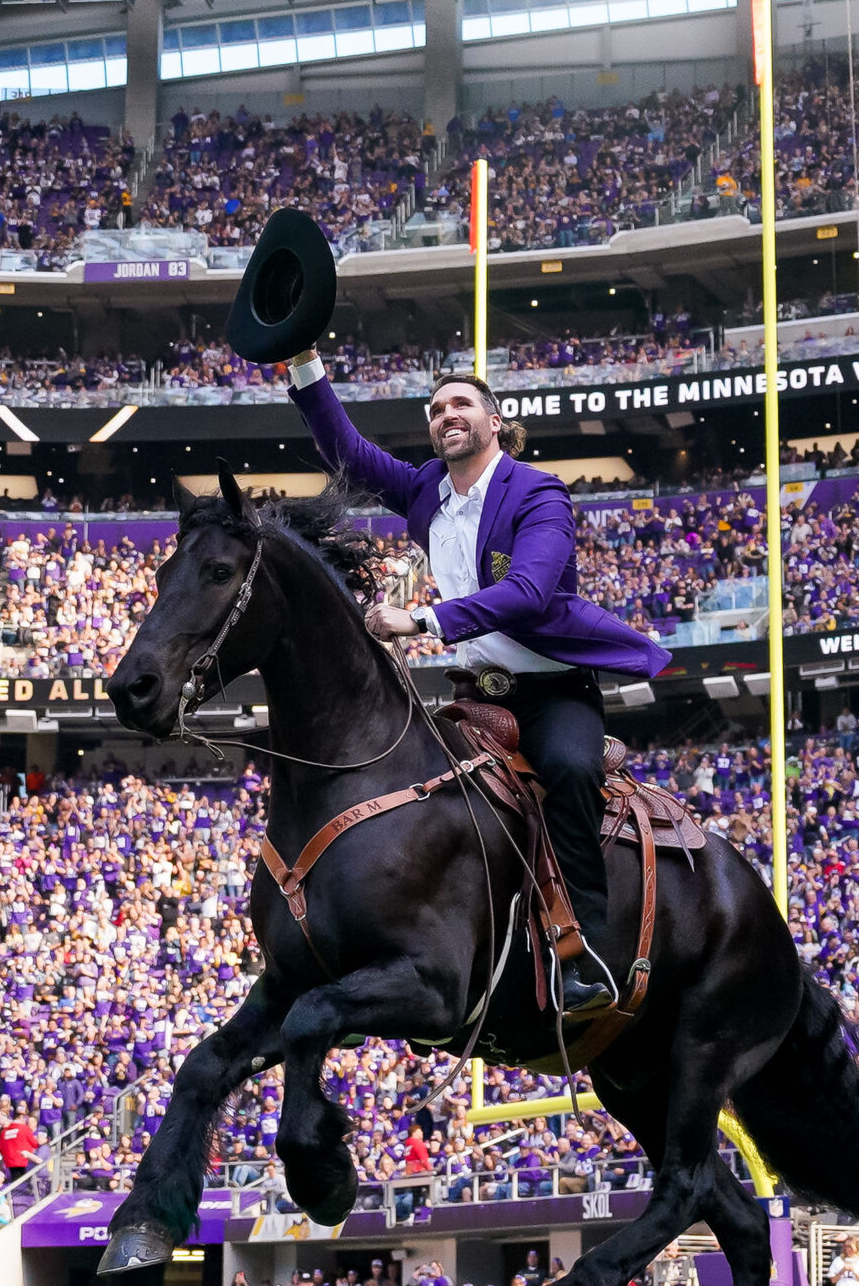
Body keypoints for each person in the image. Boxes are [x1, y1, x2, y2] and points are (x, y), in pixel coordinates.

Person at [286, 358, 672, 1014]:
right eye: (436, 410)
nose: (446, 416)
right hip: (476, 694)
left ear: (494, 421)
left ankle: (586, 957)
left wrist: (424, 618)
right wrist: (302, 362)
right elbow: (345, 450)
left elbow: (528, 592)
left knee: (569, 769)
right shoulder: (425, 489)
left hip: (552, 692)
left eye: (460, 404)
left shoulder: (539, 492)